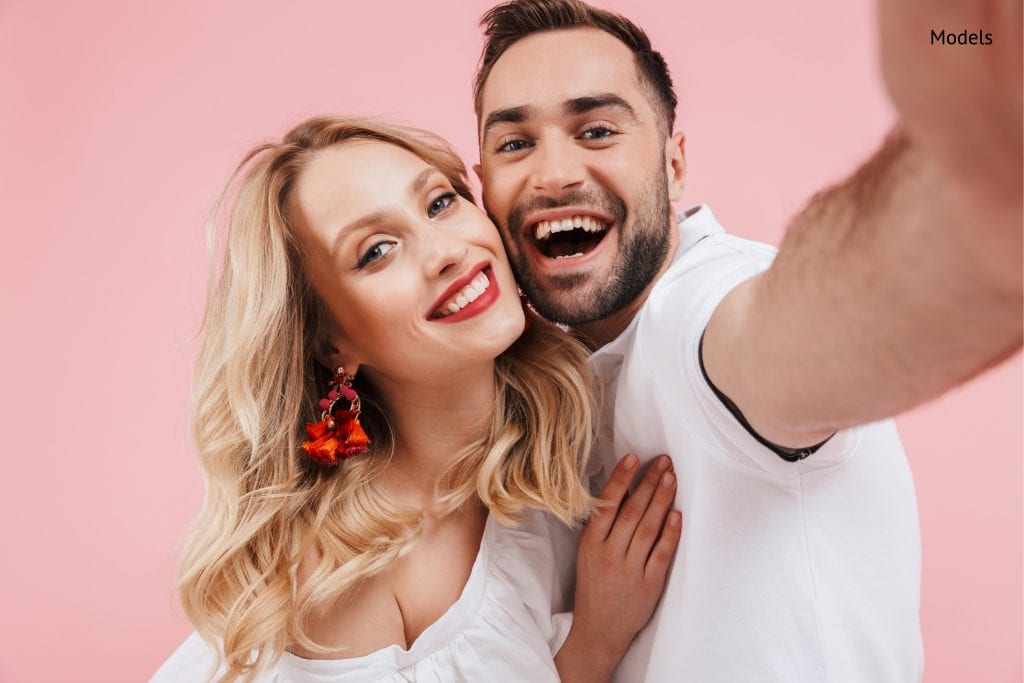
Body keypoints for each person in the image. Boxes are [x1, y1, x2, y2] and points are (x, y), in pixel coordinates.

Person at [471, 0, 1021, 681]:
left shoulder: (700, 315)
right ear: (484, 194)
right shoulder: (543, 387)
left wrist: (980, 176)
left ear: (674, 166)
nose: (552, 174)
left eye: (597, 129)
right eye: (515, 144)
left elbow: (797, 329)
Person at [152, 117, 681, 682]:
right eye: (377, 251)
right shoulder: (339, 573)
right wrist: (594, 646)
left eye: (439, 203)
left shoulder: (559, 423)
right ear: (331, 341)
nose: (445, 252)